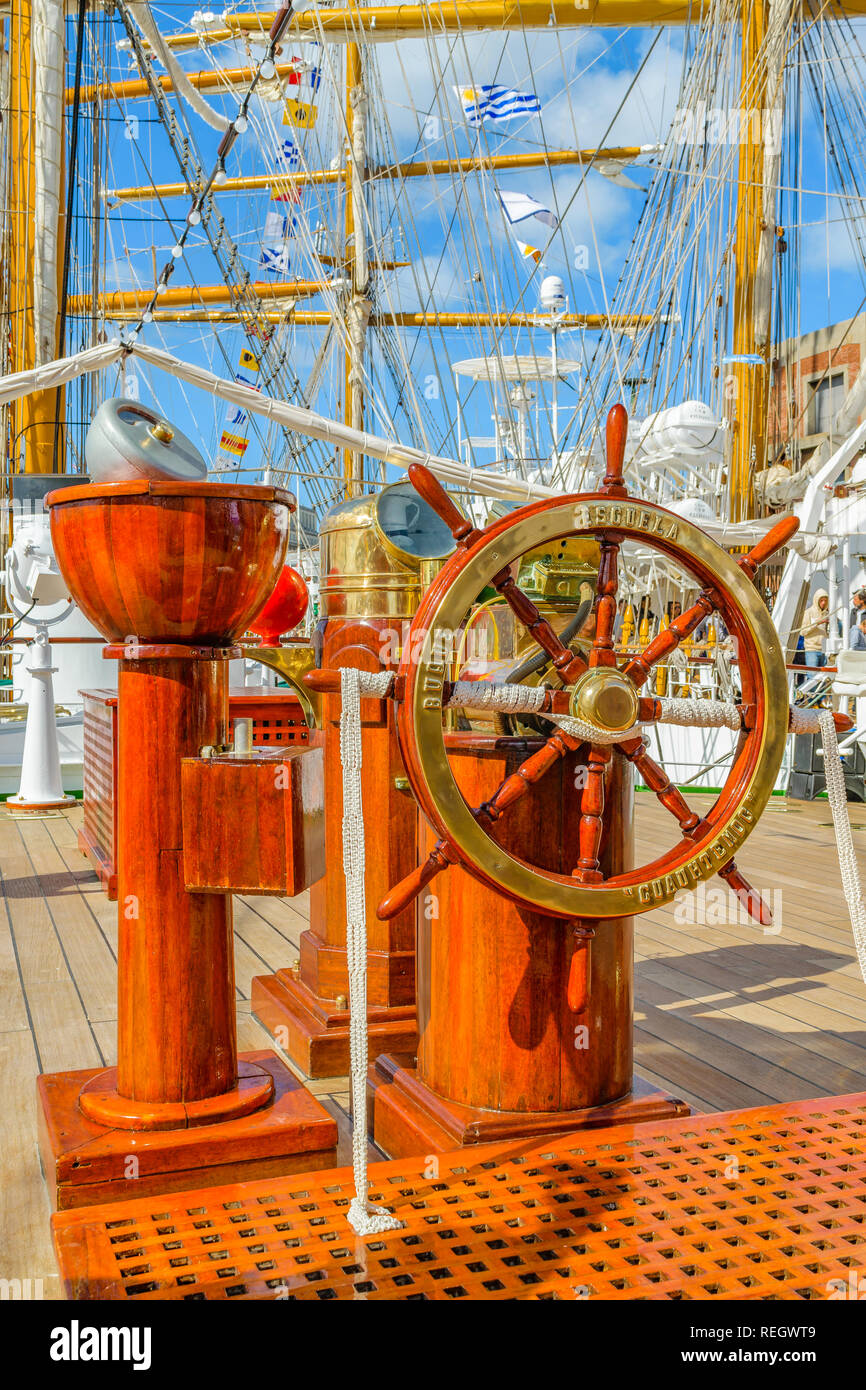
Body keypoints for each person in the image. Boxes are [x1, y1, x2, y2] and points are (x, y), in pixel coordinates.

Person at [800, 587, 830, 673]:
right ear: (816, 600)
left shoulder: (827, 614)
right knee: (812, 677)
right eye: (821, 600)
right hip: (811, 650)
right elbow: (802, 632)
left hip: (824, 651)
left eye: (825, 600)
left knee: (824, 678)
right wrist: (817, 623)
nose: (823, 603)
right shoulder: (808, 613)